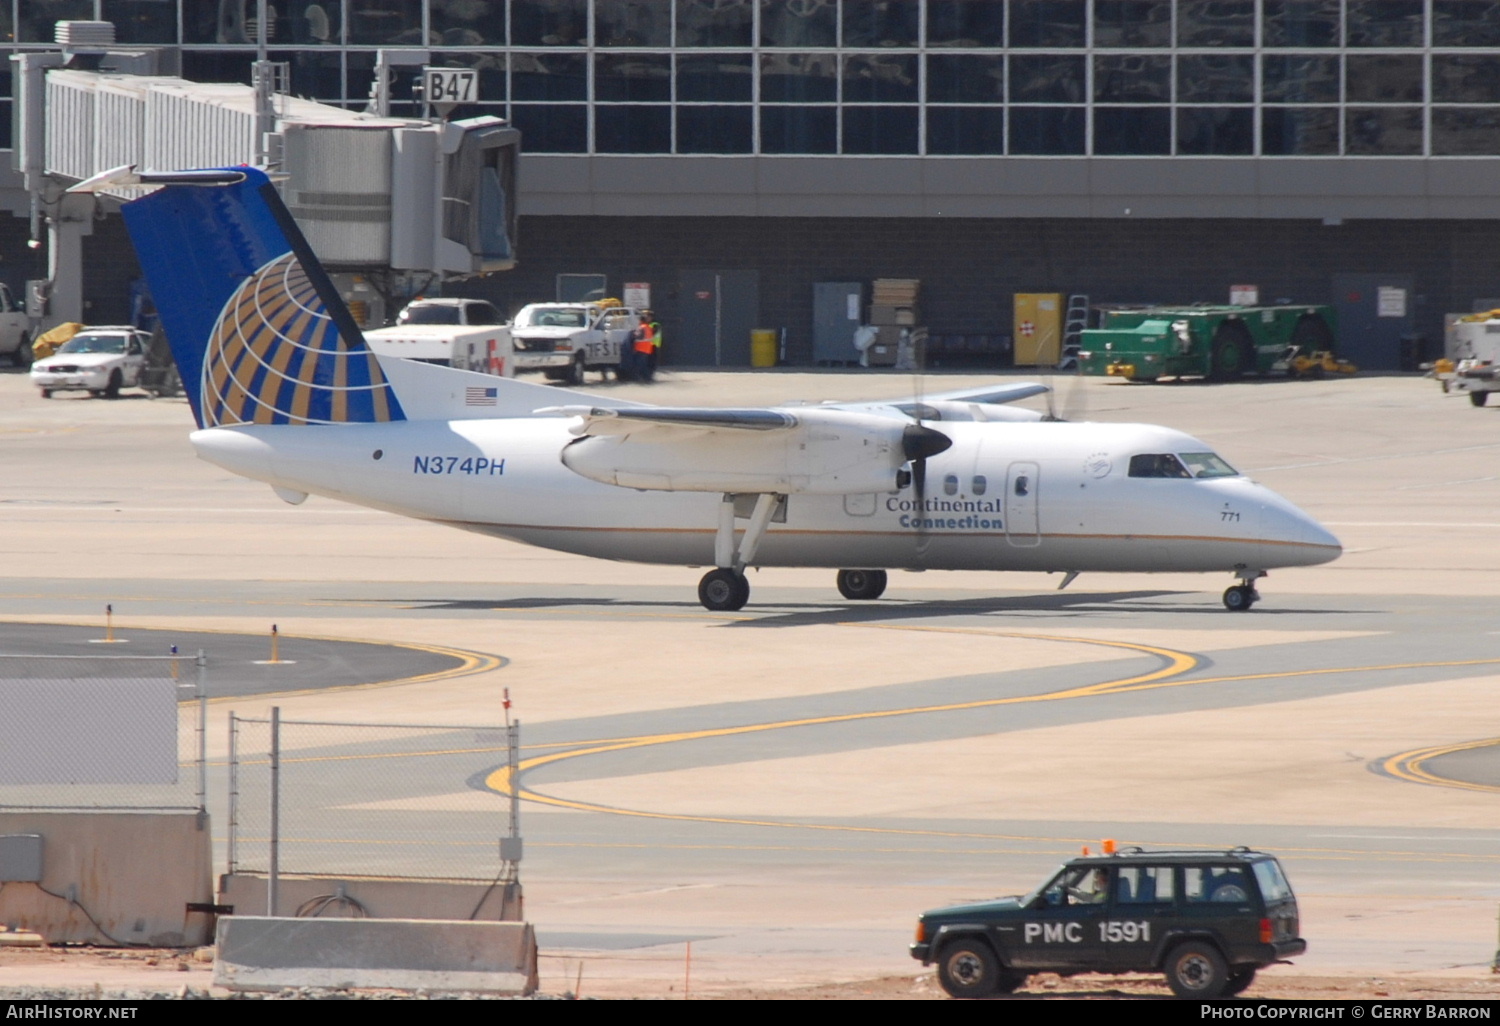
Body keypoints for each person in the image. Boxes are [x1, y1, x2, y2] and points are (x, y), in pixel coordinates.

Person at [629, 312, 655, 383]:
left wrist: (633, 334)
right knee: (643, 365)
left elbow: (637, 337)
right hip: (647, 349)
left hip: (640, 349)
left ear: (640, 320)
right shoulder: (648, 327)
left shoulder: (641, 327)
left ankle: (640, 379)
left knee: (638, 366)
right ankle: (647, 378)